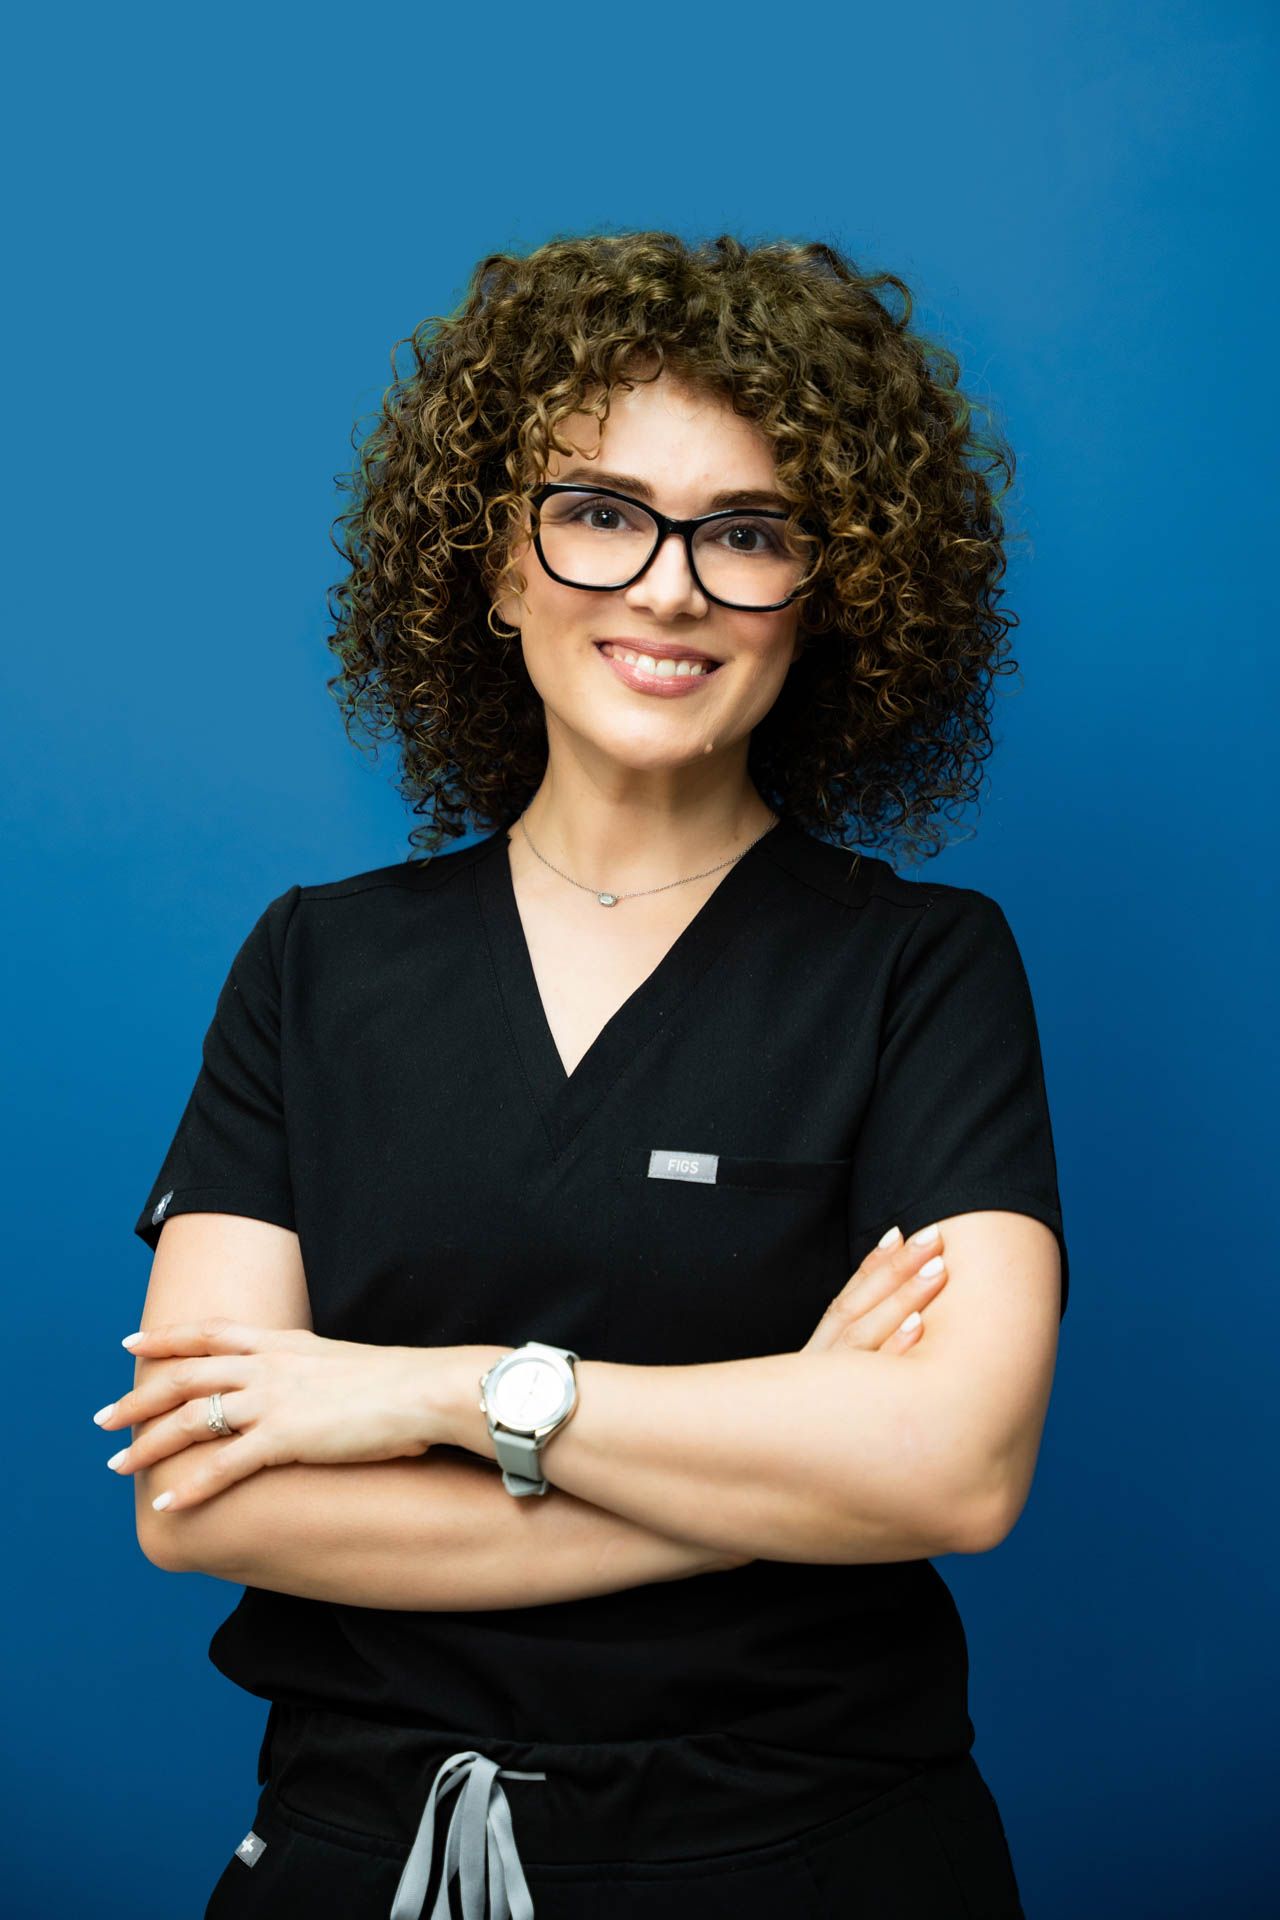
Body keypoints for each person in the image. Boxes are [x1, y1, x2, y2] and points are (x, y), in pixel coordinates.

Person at [108, 230, 1068, 1918]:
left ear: (830, 595)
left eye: (751, 533)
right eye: (603, 512)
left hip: (815, 1858)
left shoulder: (925, 966)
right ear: (490, 565)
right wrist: (771, 1475)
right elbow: (203, 1498)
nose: (674, 584)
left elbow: (952, 1470)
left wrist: (436, 1392)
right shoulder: (314, 965)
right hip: (363, 1850)